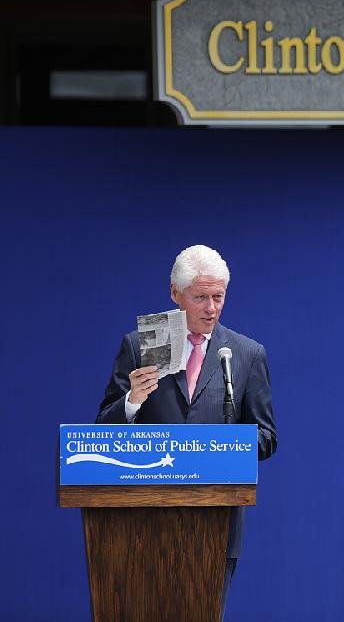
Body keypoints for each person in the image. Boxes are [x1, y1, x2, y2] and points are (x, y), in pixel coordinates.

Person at [96, 244, 278, 607]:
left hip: (214, 520)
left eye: (218, 297)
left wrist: (220, 448)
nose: (211, 308)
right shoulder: (141, 345)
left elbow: (266, 437)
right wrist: (132, 402)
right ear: (175, 293)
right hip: (143, 519)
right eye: (200, 298)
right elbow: (104, 427)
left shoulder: (245, 353)